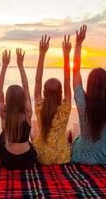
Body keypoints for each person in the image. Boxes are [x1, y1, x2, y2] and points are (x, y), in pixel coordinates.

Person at [70, 24, 106, 165]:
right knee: (79, 130)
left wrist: (78, 44)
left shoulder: (82, 102)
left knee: (74, 128)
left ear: (89, 84)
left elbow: (75, 71)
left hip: (82, 156)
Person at [31, 35, 72, 165]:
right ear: (61, 94)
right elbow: (67, 80)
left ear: (44, 93)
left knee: (33, 124)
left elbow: (37, 80)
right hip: (62, 158)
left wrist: (42, 54)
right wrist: (66, 55)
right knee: (65, 131)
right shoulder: (65, 108)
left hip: (42, 157)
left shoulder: (39, 107)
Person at [0, 48, 37, 170]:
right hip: (27, 160)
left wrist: (4, 66)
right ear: (23, 98)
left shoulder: (4, 113)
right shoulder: (27, 113)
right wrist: (21, 65)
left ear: (8, 99)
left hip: (8, 160)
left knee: (2, 139)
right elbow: (26, 87)